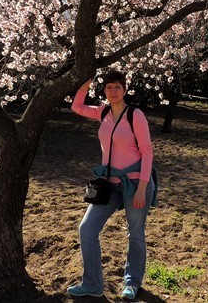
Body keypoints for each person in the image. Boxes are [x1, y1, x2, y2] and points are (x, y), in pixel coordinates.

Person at [67, 70, 157, 300]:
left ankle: (132, 283)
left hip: (135, 183)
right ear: (104, 90)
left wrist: (141, 187)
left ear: (124, 90)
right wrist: (84, 85)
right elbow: (76, 107)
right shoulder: (103, 112)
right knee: (87, 229)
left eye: (117, 87)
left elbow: (147, 151)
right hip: (109, 184)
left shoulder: (134, 115)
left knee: (135, 234)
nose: (113, 91)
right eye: (109, 87)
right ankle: (92, 284)